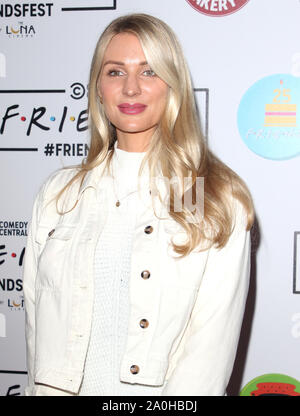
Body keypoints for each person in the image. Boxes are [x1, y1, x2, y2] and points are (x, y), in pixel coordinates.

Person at [23, 13, 254, 396]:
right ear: (98, 88)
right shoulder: (58, 195)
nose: (131, 88)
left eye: (149, 72)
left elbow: (207, 357)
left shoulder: (210, 196)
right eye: (115, 72)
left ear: (173, 85)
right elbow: (35, 332)